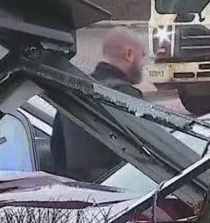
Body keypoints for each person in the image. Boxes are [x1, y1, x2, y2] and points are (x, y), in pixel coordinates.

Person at [51, 26, 148, 182]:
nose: (144, 63)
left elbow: (57, 152)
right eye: (142, 56)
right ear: (129, 54)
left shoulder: (74, 92)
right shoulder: (126, 97)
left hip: (79, 195)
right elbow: (152, 155)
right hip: (119, 193)